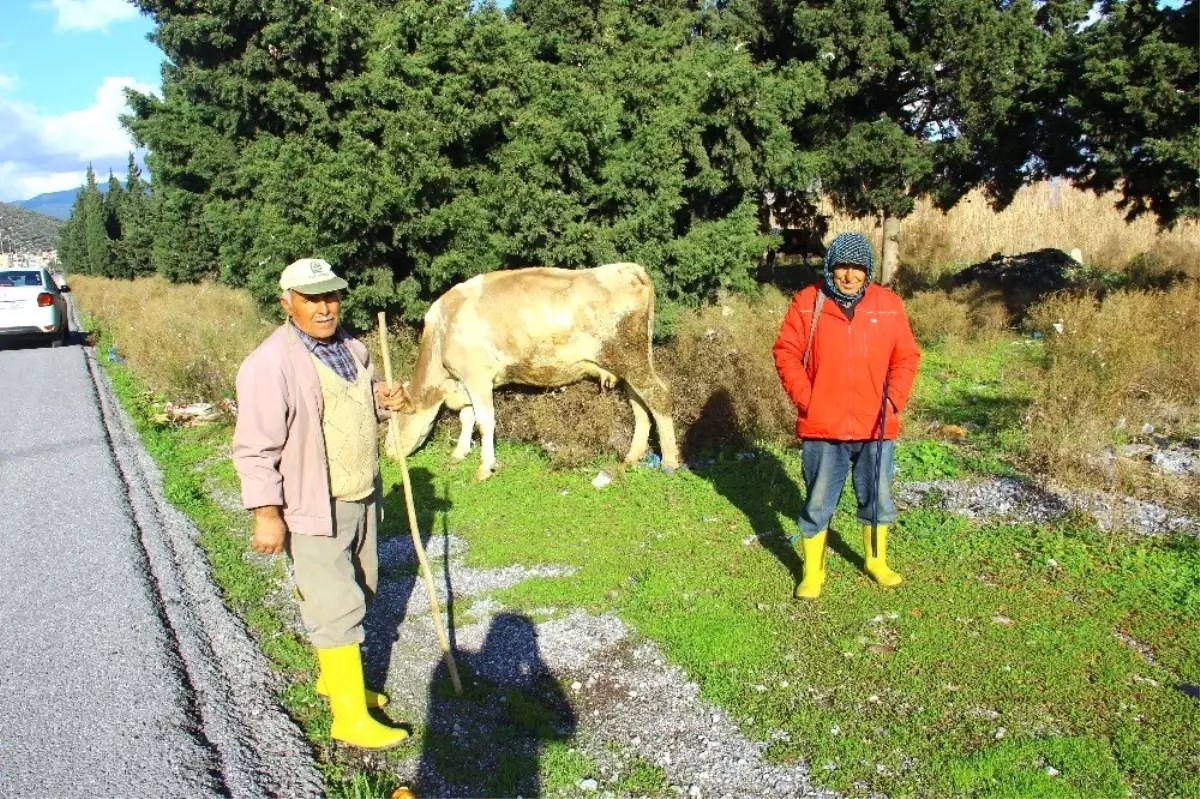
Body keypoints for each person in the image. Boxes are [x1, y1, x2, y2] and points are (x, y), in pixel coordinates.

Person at [232, 257, 413, 749]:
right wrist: (266, 514)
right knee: (335, 605)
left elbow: (349, 403)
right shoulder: (269, 365)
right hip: (314, 506)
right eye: (311, 298)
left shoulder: (352, 347)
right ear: (285, 301)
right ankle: (348, 719)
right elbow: (254, 448)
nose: (324, 306)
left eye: (330, 295)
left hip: (361, 495)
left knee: (365, 588)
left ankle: (337, 684)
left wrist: (383, 399)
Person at [772, 233, 921, 600]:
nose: (849, 276)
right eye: (842, 267)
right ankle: (813, 572)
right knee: (818, 501)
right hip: (824, 427)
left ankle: (876, 561)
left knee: (878, 498)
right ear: (830, 267)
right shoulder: (808, 302)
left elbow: (906, 357)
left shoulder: (888, 305)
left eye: (857, 268)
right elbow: (785, 353)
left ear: (867, 270)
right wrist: (808, 400)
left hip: (876, 426)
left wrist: (893, 401)